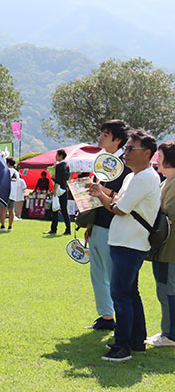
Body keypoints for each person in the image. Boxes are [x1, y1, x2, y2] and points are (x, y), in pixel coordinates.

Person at [89, 129, 160, 362]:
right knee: (129, 292)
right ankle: (136, 340)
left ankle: (123, 345)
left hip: (130, 243)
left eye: (131, 149)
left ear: (147, 153)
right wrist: (107, 197)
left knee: (120, 293)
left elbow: (119, 208)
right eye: (126, 148)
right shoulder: (133, 176)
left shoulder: (146, 177)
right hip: (124, 241)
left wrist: (100, 195)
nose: (126, 153)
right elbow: (118, 202)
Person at [83, 120, 130, 331]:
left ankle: (119, 319)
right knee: (97, 271)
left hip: (114, 224)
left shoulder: (125, 164)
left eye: (105, 134)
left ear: (117, 139)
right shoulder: (103, 162)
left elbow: (122, 196)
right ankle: (106, 316)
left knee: (112, 274)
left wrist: (101, 190)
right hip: (99, 222)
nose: (100, 137)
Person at [148, 141, 175, 347]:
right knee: (163, 289)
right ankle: (167, 331)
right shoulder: (167, 181)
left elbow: (168, 215)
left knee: (168, 291)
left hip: (170, 250)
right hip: (163, 248)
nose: (156, 161)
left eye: (159, 156)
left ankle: (171, 335)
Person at [46, 149, 71, 235]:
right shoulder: (67, 165)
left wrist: (55, 191)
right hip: (64, 188)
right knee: (64, 210)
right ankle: (68, 229)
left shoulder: (59, 166)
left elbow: (58, 179)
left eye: (57, 155)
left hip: (58, 188)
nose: (55, 157)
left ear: (60, 156)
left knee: (55, 209)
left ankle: (54, 229)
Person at [2, 158, 22, 232]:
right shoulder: (17, 173)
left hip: (5, 193)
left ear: (7, 163)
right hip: (13, 194)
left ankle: (3, 226)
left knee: (3, 209)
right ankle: (10, 227)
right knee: (11, 210)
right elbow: (18, 184)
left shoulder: (5, 170)